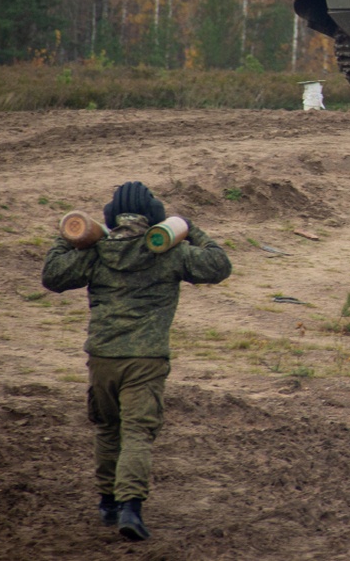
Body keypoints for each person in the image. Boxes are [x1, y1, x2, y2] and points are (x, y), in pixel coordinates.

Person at [42, 181, 231, 541]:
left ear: (111, 217)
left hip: (102, 358)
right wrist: (190, 228)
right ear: (156, 217)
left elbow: (52, 276)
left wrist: (69, 234)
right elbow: (219, 265)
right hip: (146, 360)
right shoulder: (170, 253)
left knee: (108, 429)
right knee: (138, 433)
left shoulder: (96, 253)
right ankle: (131, 508)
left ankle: (108, 503)